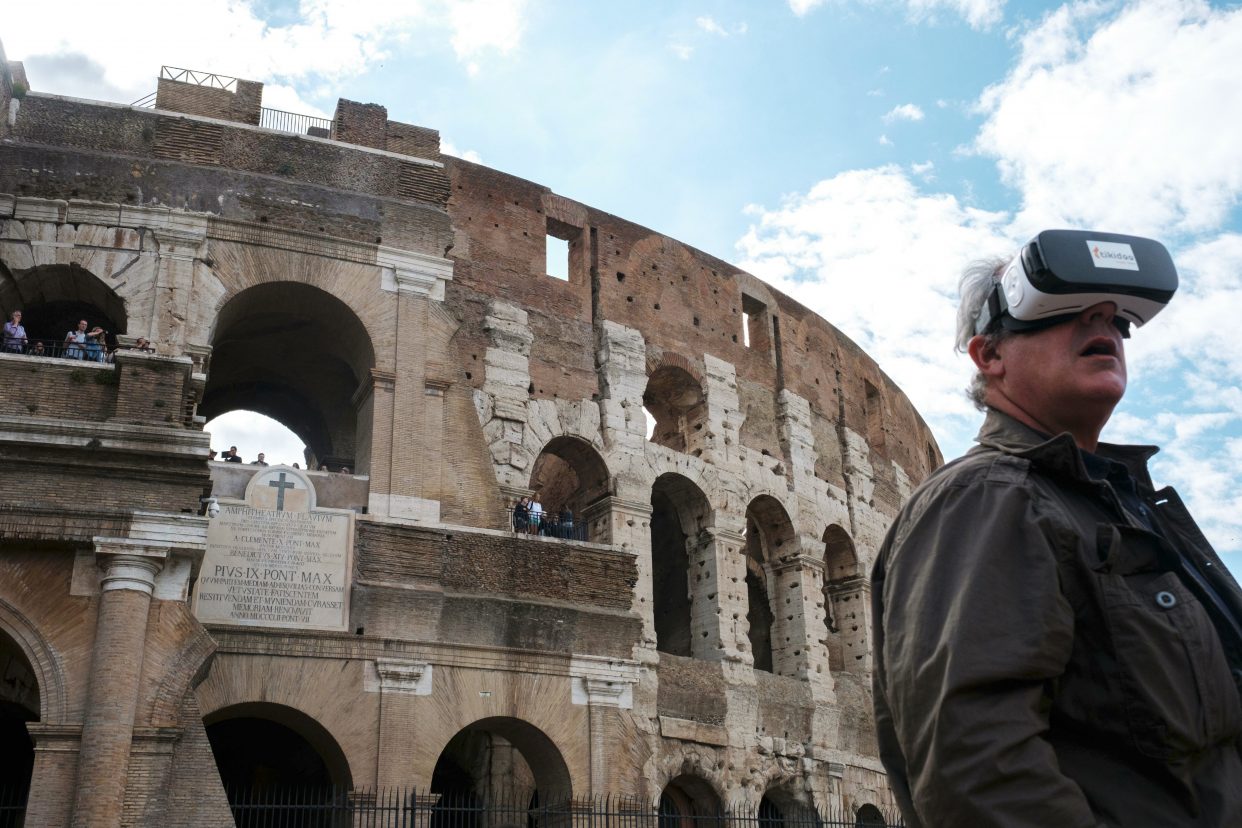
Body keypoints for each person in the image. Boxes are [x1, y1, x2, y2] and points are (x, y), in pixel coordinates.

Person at [871, 231, 1242, 827]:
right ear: (990, 355)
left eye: (1119, 320)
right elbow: (981, 772)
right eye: (1064, 306)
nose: (1103, 320)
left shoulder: (1116, 508)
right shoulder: (988, 498)